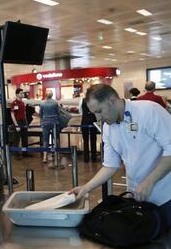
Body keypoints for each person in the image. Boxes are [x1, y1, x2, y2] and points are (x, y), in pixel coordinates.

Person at [70, 84, 171, 228]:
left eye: (99, 111)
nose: (98, 118)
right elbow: (110, 165)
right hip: (139, 197)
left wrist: (150, 181)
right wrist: (85, 188)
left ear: (111, 100)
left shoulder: (148, 111)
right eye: (94, 113)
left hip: (166, 195)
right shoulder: (108, 128)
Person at [39, 90, 60, 163]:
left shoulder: (42, 103)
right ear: (52, 95)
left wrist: (41, 121)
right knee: (56, 138)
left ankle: (45, 157)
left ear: (45, 95)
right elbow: (58, 112)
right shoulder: (55, 102)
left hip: (45, 123)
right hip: (54, 122)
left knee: (45, 140)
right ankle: (58, 154)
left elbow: (41, 114)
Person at [10, 88, 32, 158]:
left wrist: (26, 122)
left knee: (25, 138)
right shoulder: (14, 103)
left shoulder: (22, 103)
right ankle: (15, 154)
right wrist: (16, 125)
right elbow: (12, 114)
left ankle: (25, 153)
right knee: (16, 139)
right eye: (21, 93)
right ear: (17, 94)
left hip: (23, 122)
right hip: (17, 122)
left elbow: (24, 113)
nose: (22, 94)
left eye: (22, 93)